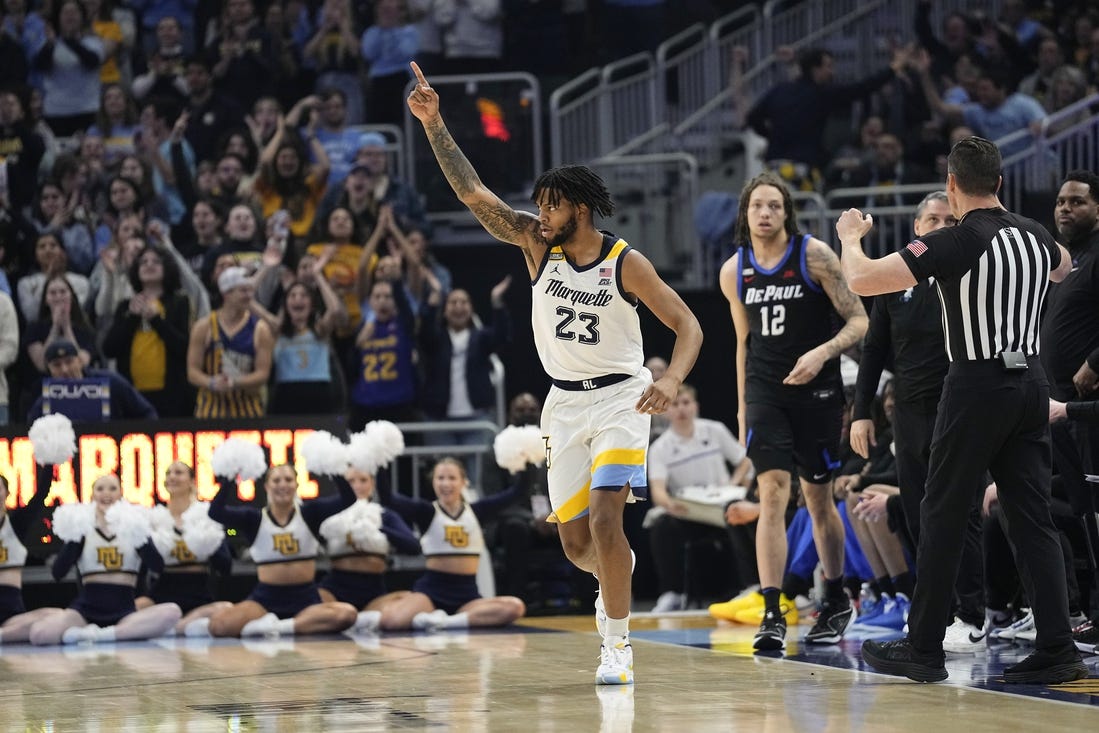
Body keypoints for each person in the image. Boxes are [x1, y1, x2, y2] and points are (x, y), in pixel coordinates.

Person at [408, 61, 703, 685]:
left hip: (623, 400)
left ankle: (617, 646)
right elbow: (473, 195)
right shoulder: (537, 246)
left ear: (582, 208)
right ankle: (614, 582)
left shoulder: (626, 263)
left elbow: (689, 327)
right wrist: (435, 124)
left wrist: (671, 380)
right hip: (562, 406)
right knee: (576, 546)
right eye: (539, 204)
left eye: (553, 204)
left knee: (604, 519)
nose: (540, 213)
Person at [842, 136, 1087, 684]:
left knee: (942, 511)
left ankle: (924, 646)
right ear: (1000, 183)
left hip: (976, 384)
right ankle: (1057, 647)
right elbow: (1064, 268)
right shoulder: (1036, 234)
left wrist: (851, 238)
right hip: (1031, 385)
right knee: (1032, 518)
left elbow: (862, 279)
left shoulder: (956, 240)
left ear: (952, 186)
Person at [717, 171, 868, 652]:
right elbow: (742, 342)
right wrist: (742, 407)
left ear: (787, 212)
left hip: (817, 392)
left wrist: (823, 352)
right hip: (766, 392)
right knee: (772, 493)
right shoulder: (733, 269)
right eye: (757, 205)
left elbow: (860, 319)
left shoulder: (814, 255)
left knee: (818, 501)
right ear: (745, 213)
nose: (765, 213)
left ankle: (836, 596)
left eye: (774, 206)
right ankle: (771, 611)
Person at [849, 191, 988, 653]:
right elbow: (873, 350)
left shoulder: (967, 272)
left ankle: (972, 612)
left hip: (959, 405)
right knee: (913, 512)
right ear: (916, 228)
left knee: (961, 511)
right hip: (908, 411)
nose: (942, 225)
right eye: (932, 219)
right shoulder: (894, 277)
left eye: (950, 219)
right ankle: (937, 611)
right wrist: (861, 413)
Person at [206, 462, 358, 638]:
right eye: (276, 481)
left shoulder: (311, 513)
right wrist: (230, 477)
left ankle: (282, 627)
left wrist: (333, 467)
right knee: (218, 626)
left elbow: (348, 499)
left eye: (288, 480)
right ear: (266, 486)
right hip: (266, 598)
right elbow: (215, 512)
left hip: (306, 598)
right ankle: (287, 625)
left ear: (296, 485)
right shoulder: (253, 518)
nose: (283, 485)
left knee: (347, 614)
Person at [28, 473, 182, 644]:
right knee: (40, 634)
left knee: (172, 612)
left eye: (112, 488)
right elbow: (58, 572)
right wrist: (74, 539)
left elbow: (158, 566)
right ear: (92, 495)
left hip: (125, 611)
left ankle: (102, 635)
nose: (106, 493)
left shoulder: (134, 527)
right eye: (100, 489)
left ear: (121, 495)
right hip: (86, 609)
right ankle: (107, 633)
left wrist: (141, 539)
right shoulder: (83, 530)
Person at [376, 457, 526, 632]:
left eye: (452, 478)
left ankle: (446, 622)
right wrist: (381, 461)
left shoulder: (478, 511)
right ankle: (439, 617)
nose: (446, 483)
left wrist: (525, 460)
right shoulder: (426, 511)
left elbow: (517, 492)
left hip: (467, 594)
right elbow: (388, 498)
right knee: (390, 621)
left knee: (515, 607)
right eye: (440, 478)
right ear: (433, 482)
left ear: (463, 482)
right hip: (431, 593)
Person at [645, 384, 753, 613]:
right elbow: (658, 491)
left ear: (695, 406)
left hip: (722, 505)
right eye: (675, 404)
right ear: (667, 410)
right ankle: (672, 593)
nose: (681, 409)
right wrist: (669, 504)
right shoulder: (660, 448)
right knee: (662, 526)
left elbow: (744, 460)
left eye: (686, 402)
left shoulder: (715, 430)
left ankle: (751, 586)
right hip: (690, 512)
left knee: (742, 515)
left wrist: (733, 483)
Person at [317, 466, 422, 633]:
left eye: (363, 480)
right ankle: (354, 621)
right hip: (335, 589)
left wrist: (379, 528)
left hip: (373, 591)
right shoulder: (330, 514)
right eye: (351, 481)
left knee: (412, 600)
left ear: (372, 483)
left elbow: (413, 547)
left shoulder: (384, 515)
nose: (357, 486)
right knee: (312, 600)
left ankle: (357, 621)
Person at [136, 461, 233, 637]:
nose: (172, 477)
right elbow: (147, 567)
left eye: (179, 473)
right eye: (168, 473)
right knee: (136, 606)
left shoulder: (206, 515)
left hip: (198, 594)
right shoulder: (154, 518)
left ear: (192, 481)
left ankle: (174, 627)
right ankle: (183, 627)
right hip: (162, 591)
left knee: (226, 609)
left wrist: (210, 543)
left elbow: (225, 567)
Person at [186, 266, 274, 418]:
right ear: (226, 293)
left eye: (250, 290)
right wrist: (212, 383)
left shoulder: (260, 329)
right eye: (243, 291)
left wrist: (235, 382)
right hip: (210, 413)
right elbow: (192, 372)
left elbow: (263, 373)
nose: (249, 296)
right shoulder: (204, 326)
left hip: (248, 412)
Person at [0, 461, 60, 643]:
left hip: (11, 613)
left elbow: (41, 496)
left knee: (57, 616)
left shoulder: (17, 524)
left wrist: (49, 462)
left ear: (7, 493)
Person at [27, 338, 157, 422]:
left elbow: (147, 412)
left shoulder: (110, 382)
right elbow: (31, 428)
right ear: (49, 369)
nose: (65, 369)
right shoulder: (47, 398)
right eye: (57, 365)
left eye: (69, 362)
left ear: (79, 361)